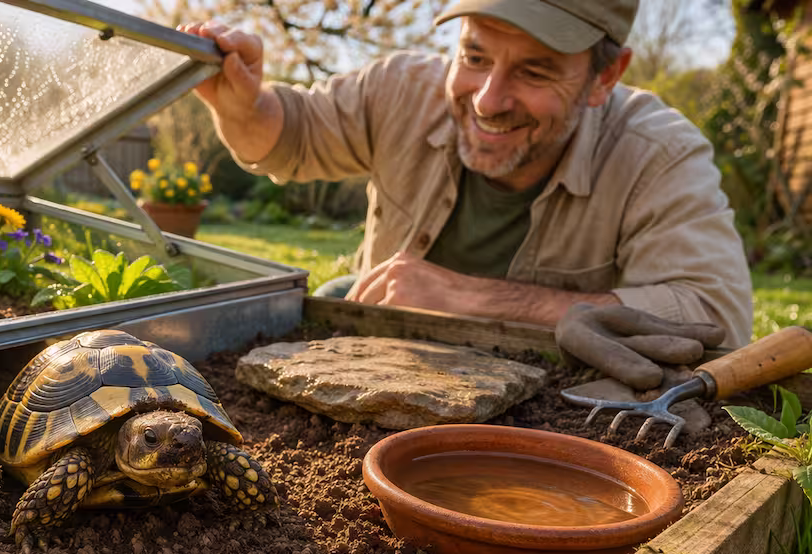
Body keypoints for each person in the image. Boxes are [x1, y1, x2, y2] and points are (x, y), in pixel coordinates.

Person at [180, 0, 755, 355]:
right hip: (386, 352)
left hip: (546, 387)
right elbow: (291, 137)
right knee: (334, 298)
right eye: (474, 58)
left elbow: (715, 317)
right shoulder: (400, 88)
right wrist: (245, 107)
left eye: (534, 72)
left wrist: (471, 298)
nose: (486, 100)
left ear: (605, 76)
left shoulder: (658, 152)